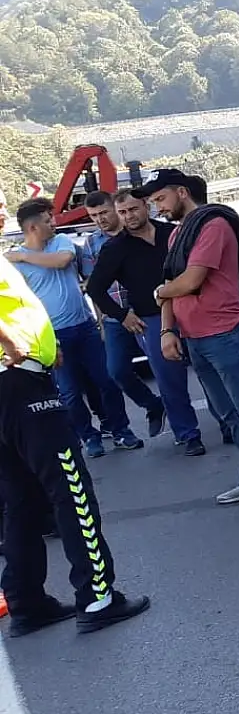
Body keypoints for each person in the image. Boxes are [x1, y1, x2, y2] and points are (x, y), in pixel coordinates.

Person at [0, 250, 150, 635]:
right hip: (18, 382)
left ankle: (26, 601)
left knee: (21, 500)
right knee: (71, 489)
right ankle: (97, 596)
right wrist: (13, 344)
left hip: (14, 384)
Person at [145, 170, 239, 514]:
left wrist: (160, 293)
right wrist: (168, 330)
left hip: (226, 333)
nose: (158, 208)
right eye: (153, 202)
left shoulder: (213, 226)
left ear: (181, 192)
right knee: (228, 413)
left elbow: (190, 280)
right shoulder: (178, 235)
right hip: (195, 337)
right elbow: (172, 282)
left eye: (160, 199)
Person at [5, 198, 143, 459]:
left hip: (85, 327)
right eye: (47, 221)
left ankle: (120, 430)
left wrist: (23, 255)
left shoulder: (59, 243)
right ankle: (88, 437)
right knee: (69, 393)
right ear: (33, 228)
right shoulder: (12, 265)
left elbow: (62, 261)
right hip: (53, 335)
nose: (54, 224)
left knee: (107, 381)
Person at [85, 190, 205, 455]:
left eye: (133, 209)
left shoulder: (171, 233)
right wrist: (121, 315)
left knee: (208, 370)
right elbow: (95, 288)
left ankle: (229, 423)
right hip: (151, 319)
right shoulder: (115, 248)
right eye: (123, 212)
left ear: (146, 206)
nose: (129, 216)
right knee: (169, 379)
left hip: (191, 309)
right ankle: (188, 434)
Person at [82, 191, 167, 439]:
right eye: (94, 216)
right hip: (116, 318)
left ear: (116, 208)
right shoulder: (90, 244)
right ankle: (153, 405)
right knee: (116, 370)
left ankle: (182, 423)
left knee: (162, 367)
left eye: (104, 213)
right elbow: (92, 284)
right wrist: (105, 320)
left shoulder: (139, 233)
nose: (100, 219)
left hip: (146, 311)